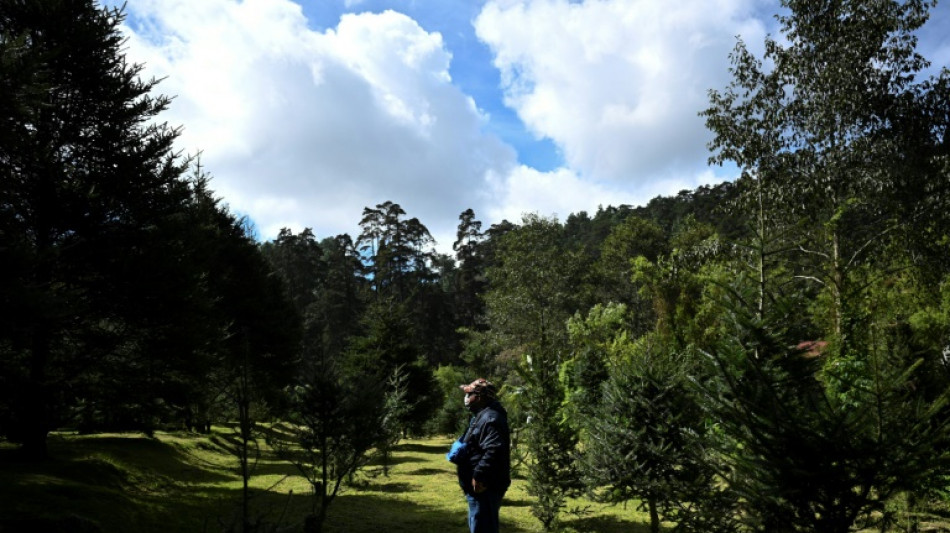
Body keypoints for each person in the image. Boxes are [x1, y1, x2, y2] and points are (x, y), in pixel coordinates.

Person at [453, 378, 511, 533]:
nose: (466, 398)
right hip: (478, 488)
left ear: (479, 397)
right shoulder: (482, 415)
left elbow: (494, 449)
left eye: (469, 394)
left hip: (485, 487)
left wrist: (479, 476)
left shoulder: (491, 418)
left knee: (483, 526)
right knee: (478, 523)